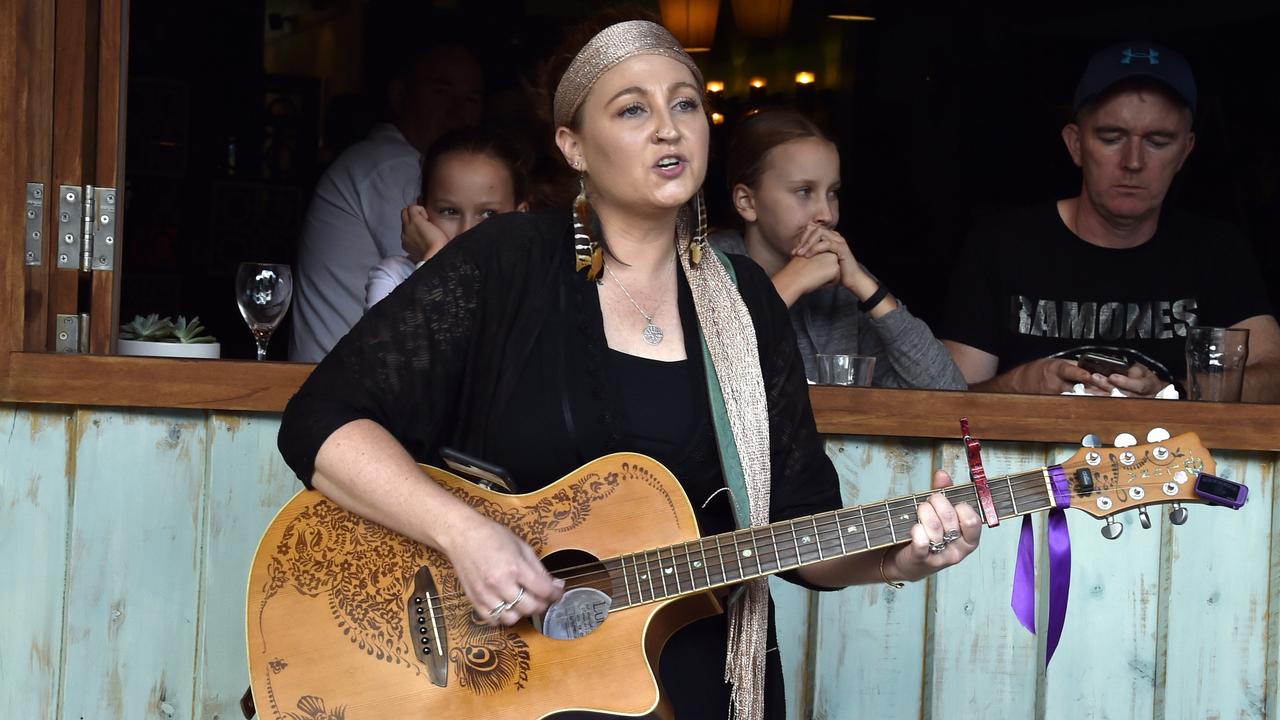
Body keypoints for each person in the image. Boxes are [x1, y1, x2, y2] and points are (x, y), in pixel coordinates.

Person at [278, 16, 981, 719]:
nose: (670, 128)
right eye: (633, 109)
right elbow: (320, 421)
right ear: (572, 144)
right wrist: (465, 535)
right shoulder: (506, 262)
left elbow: (799, 532)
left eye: (684, 103)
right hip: (508, 685)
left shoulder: (747, 304)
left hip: (703, 683)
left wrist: (897, 559)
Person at [942, 41, 1280, 400]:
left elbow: (1274, 375)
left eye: (1157, 141)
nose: (1133, 161)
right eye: (1111, 137)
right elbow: (942, 402)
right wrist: (1019, 385)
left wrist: (1173, 395)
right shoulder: (1002, 244)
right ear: (1075, 144)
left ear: (1185, 152)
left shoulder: (1216, 250)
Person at [714, 110, 966, 390]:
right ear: (747, 202)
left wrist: (865, 286)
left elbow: (948, 390)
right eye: (804, 191)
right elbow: (701, 377)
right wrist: (792, 282)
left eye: (832, 192)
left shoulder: (844, 285)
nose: (827, 214)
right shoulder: (706, 269)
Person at [289, 43, 484, 362]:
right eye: (441, 91)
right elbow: (457, 287)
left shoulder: (395, 162)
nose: (458, 110)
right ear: (400, 95)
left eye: (472, 98)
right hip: (344, 396)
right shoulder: (390, 165)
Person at [364, 127, 529, 310]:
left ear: (520, 217)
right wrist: (434, 260)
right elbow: (396, 338)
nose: (466, 232)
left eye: (488, 214)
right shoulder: (395, 277)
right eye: (450, 211)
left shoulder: (535, 286)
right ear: (422, 211)